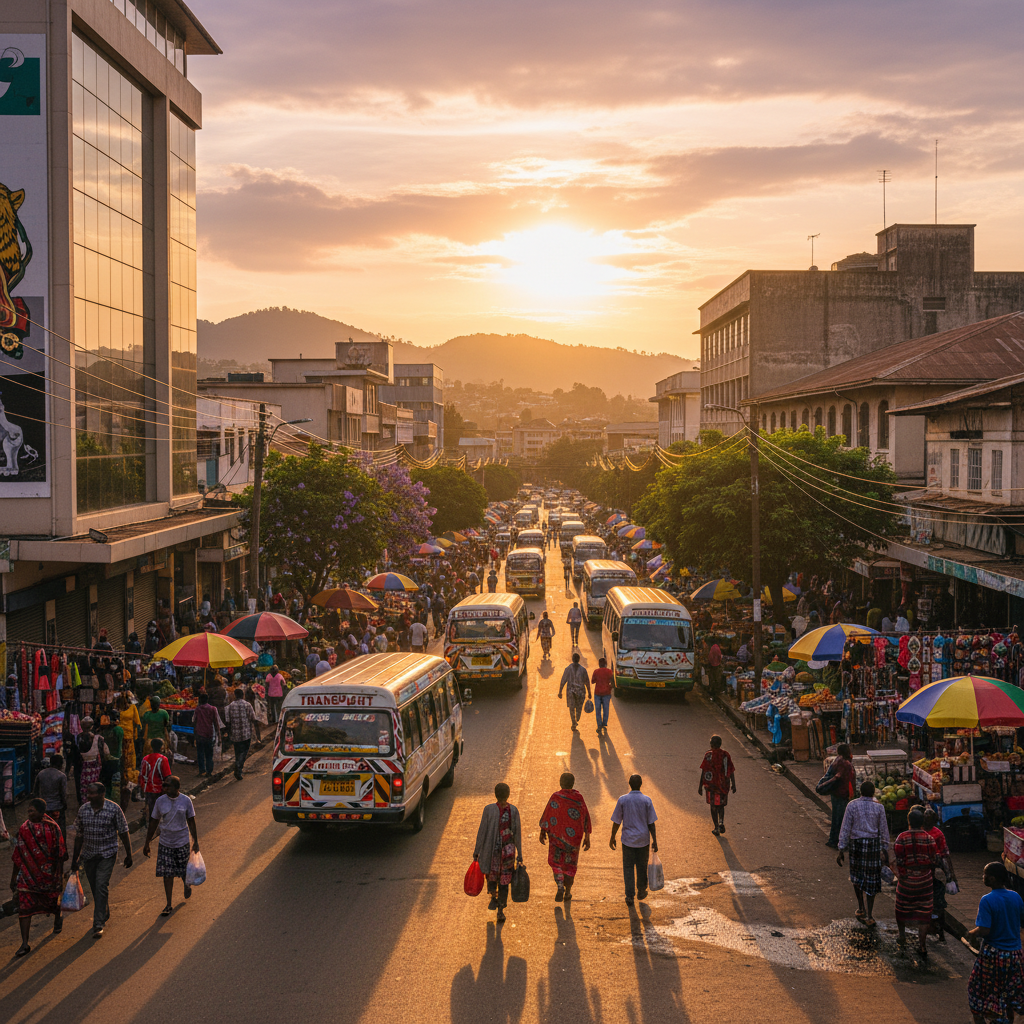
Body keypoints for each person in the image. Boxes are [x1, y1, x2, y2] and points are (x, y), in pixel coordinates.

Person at [70, 781, 133, 939]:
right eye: (88, 793)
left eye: (93, 793)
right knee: (96, 887)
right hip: (89, 855)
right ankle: (104, 910)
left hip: (107, 854)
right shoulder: (83, 810)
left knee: (101, 884)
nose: (89, 796)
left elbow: (124, 832)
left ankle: (98, 923)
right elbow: (79, 835)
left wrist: (129, 854)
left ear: (102, 794)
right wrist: (75, 859)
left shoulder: (113, 809)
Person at [967, 861, 1024, 1024]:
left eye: (985, 874)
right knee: (1007, 994)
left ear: (992, 878)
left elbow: (984, 930)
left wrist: (971, 934)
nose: (983, 877)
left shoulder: (987, 900)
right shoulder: (1016, 896)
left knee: (977, 991)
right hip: (1015, 956)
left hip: (994, 955)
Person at [10, 798, 67, 956]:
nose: (29, 813)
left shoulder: (53, 828)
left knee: (52, 902)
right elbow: (19, 853)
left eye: (32, 810)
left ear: (41, 812)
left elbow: (61, 852)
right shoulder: (24, 828)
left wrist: (59, 875)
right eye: (28, 811)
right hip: (28, 877)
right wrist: (14, 877)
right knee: (24, 908)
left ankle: (58, 917)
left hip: (49, 875)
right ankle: (24, 943)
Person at [836, 780, 890, 927]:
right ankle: (870, 914)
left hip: (857, 845)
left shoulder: (852, 805)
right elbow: (884, 830)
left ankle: (861, 907)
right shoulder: (879, 807)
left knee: (857, 877)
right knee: (872, 880)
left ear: (860, 792)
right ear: (873, 793)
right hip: (873, 846)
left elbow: (845, 827)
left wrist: (841, 848)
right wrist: (885, 849)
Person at [143, 775, 199, 916]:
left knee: (182, 870)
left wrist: (195, 840)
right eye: (164, 785)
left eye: (168, 785)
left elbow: (191, 821)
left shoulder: (186, 801)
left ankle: (186, 884)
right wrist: (147, 842)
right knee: (167, 874)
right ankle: (168, 904)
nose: (165, 788)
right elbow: (154, 821)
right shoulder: (160, 801)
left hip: (181, 841)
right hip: (165, 842)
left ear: (176, 788)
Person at [473, 782, 523, 924]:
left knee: (491, 876)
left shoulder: (488, 810)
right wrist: (520, 854)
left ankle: (493, 896)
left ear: (495, 794)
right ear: (508, 795)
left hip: (492, 852)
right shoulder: (513, 810)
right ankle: (501, 909)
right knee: (505, 880)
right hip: (508, 851)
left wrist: (477, 851)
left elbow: (482, 831)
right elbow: (517, 833)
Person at [539, 772, 592, 902]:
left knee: (556, 863)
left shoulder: (556, 797)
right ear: (572, 784)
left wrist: (543, 831)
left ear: (561, 783)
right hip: (573, 841)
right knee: (570, 866)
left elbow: (548, 814)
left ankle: (560, 885)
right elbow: (585, 817)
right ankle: (568, 892)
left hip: (557, 838)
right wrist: (587, 836)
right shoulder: (578, 798)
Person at [893, 807, 939, 957]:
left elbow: (899, 860)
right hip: (925, 880)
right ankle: (922, 945)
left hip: (906, 880)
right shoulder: (929, 839)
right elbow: (933, 860)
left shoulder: (901, 838)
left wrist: (902, 875)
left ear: (908, 822)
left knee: (901, 908)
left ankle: (901, 935)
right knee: (924, 912)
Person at [609, 775, 658, 907]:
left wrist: (612, 837)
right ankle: (641, 890)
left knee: (628, 867)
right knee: (642, 867)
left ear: (629, 784)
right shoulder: (647, 800)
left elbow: (617, 821)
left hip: (628, 840)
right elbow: (651, 823)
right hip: (643, 840)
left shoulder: (623, 800)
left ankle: (629, 896)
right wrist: (655, 840)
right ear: (641, 784)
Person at [923, 805, 955, 942]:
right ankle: (931, 928)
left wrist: (951, 874)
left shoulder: (938, 834)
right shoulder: (921, 832)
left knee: (939, 904)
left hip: (937, 872)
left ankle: (940, 932)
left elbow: (945, 854)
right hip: (925, 872)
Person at [698, 734, 736, 836]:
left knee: (713, 806)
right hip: (723, 785)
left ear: (711, 744)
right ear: (720, 744)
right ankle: (721, 822)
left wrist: (700, 786)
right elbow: (730, 770)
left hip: (711, 786)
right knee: (721, 806)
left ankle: (716, 827)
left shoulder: (708, 755)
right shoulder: (725, 755)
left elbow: (704, 771)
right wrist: (734, 784)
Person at [824, 743, 856, 849]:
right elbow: (849, 780)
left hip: (835, 793)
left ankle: (833, 840)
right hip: (842, 794)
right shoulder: (845, 764)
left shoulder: (837, 761)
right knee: (842, 819)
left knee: (836, 818)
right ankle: (839, 842)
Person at [224, 686, 257, 781]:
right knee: (245, 751)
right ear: (242, 695)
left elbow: (227, 720)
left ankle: (238, 766)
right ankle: (238, 767)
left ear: (235, 695)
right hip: (246, 733)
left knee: (238, 751)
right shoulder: (247, 705)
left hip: (235, 734)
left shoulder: (230, 706)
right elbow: (253, 718)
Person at [33, 753, 68, 837]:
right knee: (60, 831)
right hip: (57, 807)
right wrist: (65, 805)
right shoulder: (61, 776)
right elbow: (63, 794)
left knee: (44, 831)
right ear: (61, 764)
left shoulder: (41, 774)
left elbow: (35, 791)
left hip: (44, 808)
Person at [140, 737, 172, 822]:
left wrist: (141, 788)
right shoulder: (163, 759)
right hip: (159, 788)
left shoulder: (145, 758)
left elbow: (142, 775)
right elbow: (167, 776)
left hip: (147, 788)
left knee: (151, 808)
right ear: (161, 747)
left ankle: (151, 827)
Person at [558, 652, 591, 731]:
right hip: (576, 692)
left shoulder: (569, 669)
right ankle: (574, 721)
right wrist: (589, 692)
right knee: (575, 707)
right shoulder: (581, 669)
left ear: (572, 659)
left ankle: (575, 719)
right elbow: (587, 682)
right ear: (578, 660)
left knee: (574, 708)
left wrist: (560, 691)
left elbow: (563, 681)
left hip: (575, 692)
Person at [194, 692, 224, 777]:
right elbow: (216, 723)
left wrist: (194, 735)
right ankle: (209, 771)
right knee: (209, 754)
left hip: (199, 734)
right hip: (209, 734)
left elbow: (195, 722)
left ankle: (201, 770)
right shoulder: (213, 709)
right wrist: (219, 736)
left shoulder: (197, 709)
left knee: (200, 754)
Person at [76, 717, 107, 799]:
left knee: (85, 788)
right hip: (95, 768)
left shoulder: (78, 738)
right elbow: (104, 753)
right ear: (92, 726)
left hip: (84, 768)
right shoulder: (98, 738)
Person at [118, 693, 142, 787]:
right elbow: (137, 723)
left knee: (127, 759)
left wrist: (136, 735)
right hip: (120, 737)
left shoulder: (132, 708)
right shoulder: (117, 708)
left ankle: (126, 778)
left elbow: (137, 723)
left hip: (128, 737)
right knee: (122, 758)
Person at [100, 713, 124, 802]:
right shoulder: (118, 729)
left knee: (106, 783)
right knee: (115, 785)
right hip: (116, 760)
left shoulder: (103, 731)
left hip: (105, 760)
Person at [591, 657, 613, 733]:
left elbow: (593, 681)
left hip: (597, 693)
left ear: (599, 664)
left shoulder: (596, 671)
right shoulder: (609, 671)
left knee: (598, 710)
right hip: (607, 693)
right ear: (606, 664)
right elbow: (612, 681)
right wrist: (610, 687)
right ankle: (604, 723)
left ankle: (599, 725)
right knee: (606, 709)